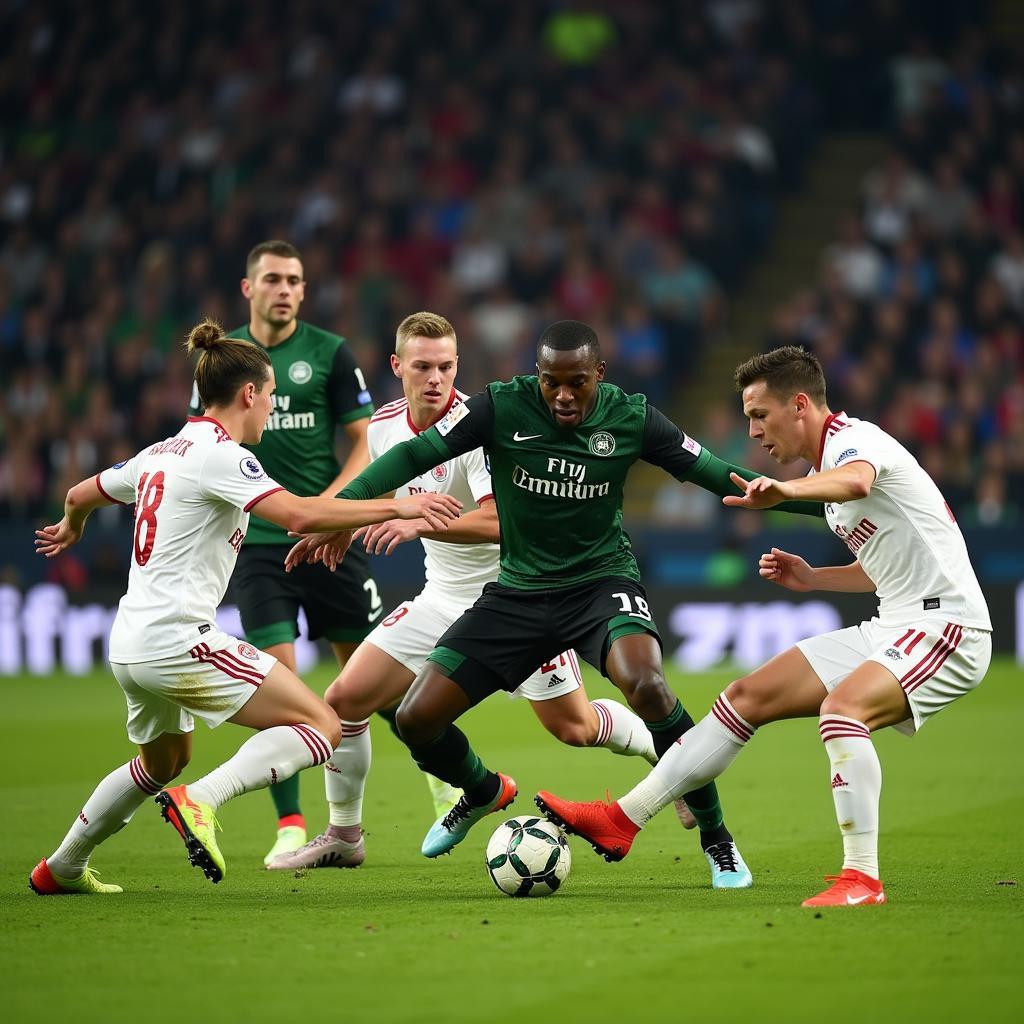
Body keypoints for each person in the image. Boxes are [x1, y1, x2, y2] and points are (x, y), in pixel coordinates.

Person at [290, 321, 823, 887]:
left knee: (646, 684)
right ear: (536, 376)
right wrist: (338, 512)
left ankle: (718, 839)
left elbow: (717, 473)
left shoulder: (631, 416)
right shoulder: (502, 407)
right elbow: (412, 456)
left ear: (600, 374)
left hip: (600, 584)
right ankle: (480, 789)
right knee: (417, 717)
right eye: (551, 383)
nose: (563, 396)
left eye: (577, 383)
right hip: (517, 593)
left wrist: (810, 501)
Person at [535, 345, 992, 908]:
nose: (753, 431)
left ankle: (862, 878)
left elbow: (854, 483)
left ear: (800, 405)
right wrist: (813, 578)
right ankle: (621, 820)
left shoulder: (856, 442)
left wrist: (785, 491)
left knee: (842, 712)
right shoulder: (826, 465)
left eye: (759, 415)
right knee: (743, 697)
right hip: (896, 622)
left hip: (949, 627)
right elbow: (884, 568)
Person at [29, 320, 461, 894]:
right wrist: (398, 509)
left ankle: (61, 866)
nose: (272, 411)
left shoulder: (158, 451)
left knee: (160, 763)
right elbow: (301, 516)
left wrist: (70, 526)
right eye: (272, 397)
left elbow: (80, 494)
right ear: (249, 395)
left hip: (130, 643)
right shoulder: (222, 455)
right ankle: (201, 803)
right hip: (179, 639)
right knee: (323, 724)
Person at [268, 311, 687, 873]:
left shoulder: (484, 426)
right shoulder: (384, 426)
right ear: (397, 367)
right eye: (422, 367)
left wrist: (420, 522)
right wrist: (338, 527)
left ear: (458, 365)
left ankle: (667, 761)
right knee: (344, 701)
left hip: (519, 598)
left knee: (576, 728)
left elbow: (500, 524)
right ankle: (346, 834)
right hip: (440, 598)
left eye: (445, 366)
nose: (435, 378)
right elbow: (383, 490)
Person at [190, 239, 382, 866]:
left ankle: (439, 787)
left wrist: (330, 508)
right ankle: (293, 824)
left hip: (327, 539)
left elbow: (363, 442)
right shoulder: (224, 361)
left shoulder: (329, 352)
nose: (285, 289)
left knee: (371, 680)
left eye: (295, 280)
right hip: (258, 547)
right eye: (272, 278)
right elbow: (199, 444)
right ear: (248, 289)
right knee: (284, 686)